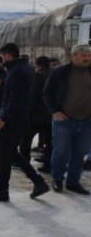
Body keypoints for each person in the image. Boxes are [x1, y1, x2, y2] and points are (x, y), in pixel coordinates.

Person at [0, 43, 50, 202]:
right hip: (17, 119)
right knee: (11, 153)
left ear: (7, 56)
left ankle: (2, 190)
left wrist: (3, 118)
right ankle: (38, 182)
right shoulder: (23, 68)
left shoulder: (17, 71)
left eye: (3, 57)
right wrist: (2, 84)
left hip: (14, 121)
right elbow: (17, 92)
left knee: (2, 154)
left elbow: (17, 100)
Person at [42, 43, 91, 195]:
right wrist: (54, 111)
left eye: (89, 56)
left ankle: (73, 182)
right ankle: (57, 179)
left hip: (86, 121)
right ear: (74, 56)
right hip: (64, 121)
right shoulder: (60, 72)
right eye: (84, 55)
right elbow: (46, 92)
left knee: (79, 153)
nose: (87, 58)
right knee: (61, 151)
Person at [19, 56, 52, 172]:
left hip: (37, 115)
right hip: (52, 114)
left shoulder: (39, 76)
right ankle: (48, 165)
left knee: (26, 139)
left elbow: (33, 96)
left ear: (38, 64)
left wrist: (27, 112)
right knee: (50, 142)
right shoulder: (54, 74)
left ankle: (24, 162)